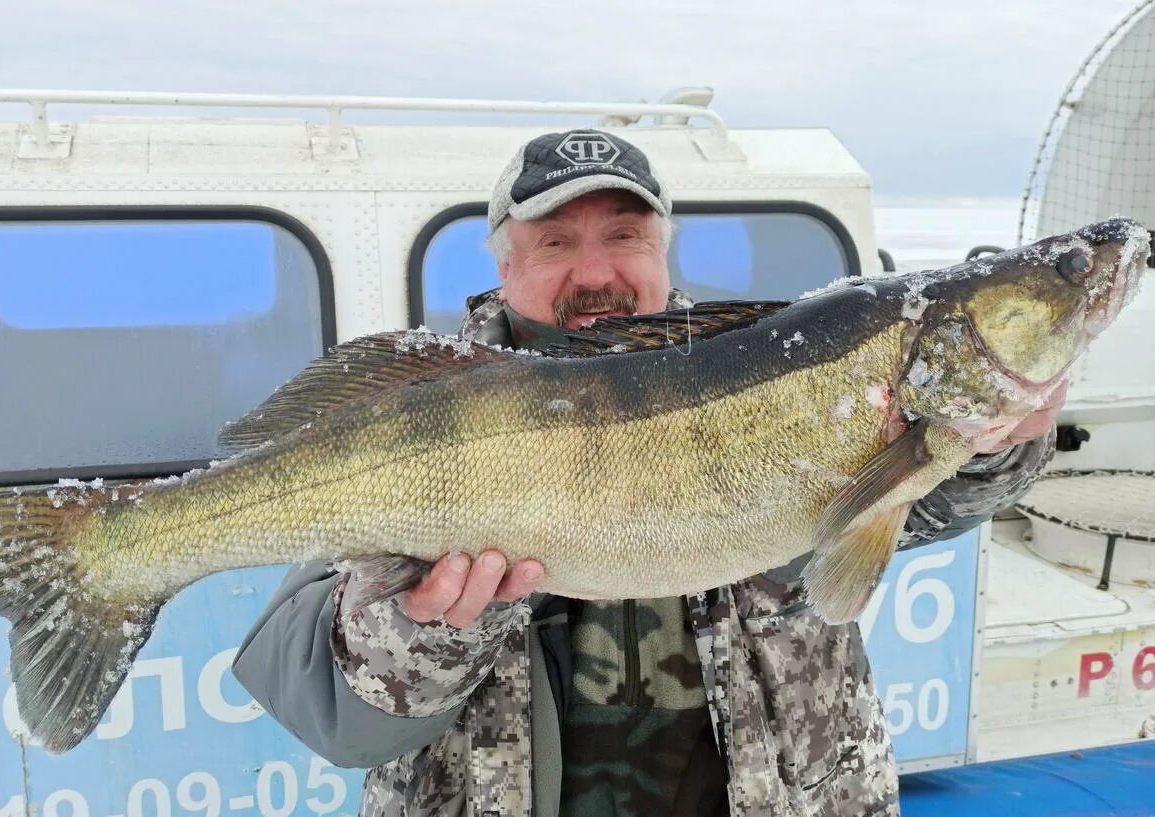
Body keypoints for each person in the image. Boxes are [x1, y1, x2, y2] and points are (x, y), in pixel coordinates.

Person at [233, 129, 1062, 817]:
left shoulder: (764, 375)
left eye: (624, 235)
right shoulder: (428, 415)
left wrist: (991, 441)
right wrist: (429, 629)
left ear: (662, 250)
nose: (595, 274)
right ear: (504, 267)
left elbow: (920, 502)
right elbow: (333, 710)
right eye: (556, 242)